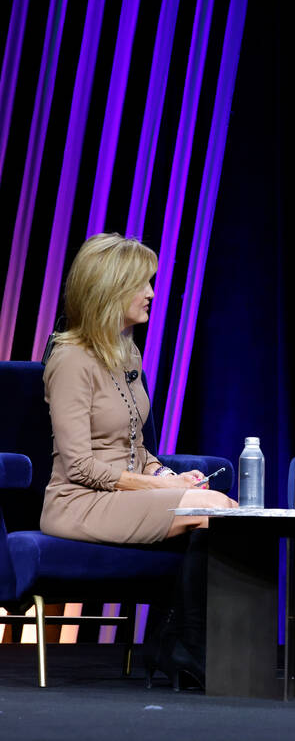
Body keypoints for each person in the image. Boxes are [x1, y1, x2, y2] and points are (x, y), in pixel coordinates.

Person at [40, 232, 236, 690]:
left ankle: (188, 647)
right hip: (78, 502)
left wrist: (166, 473)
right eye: (141, 284)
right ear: (109, 289)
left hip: (121, 493)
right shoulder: (70, 359)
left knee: (222, 510)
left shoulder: (127, 352)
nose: (151, 293)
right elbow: (80, 467)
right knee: (213, 510)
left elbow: (136, 445)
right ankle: (184, 647)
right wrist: (162, 489)